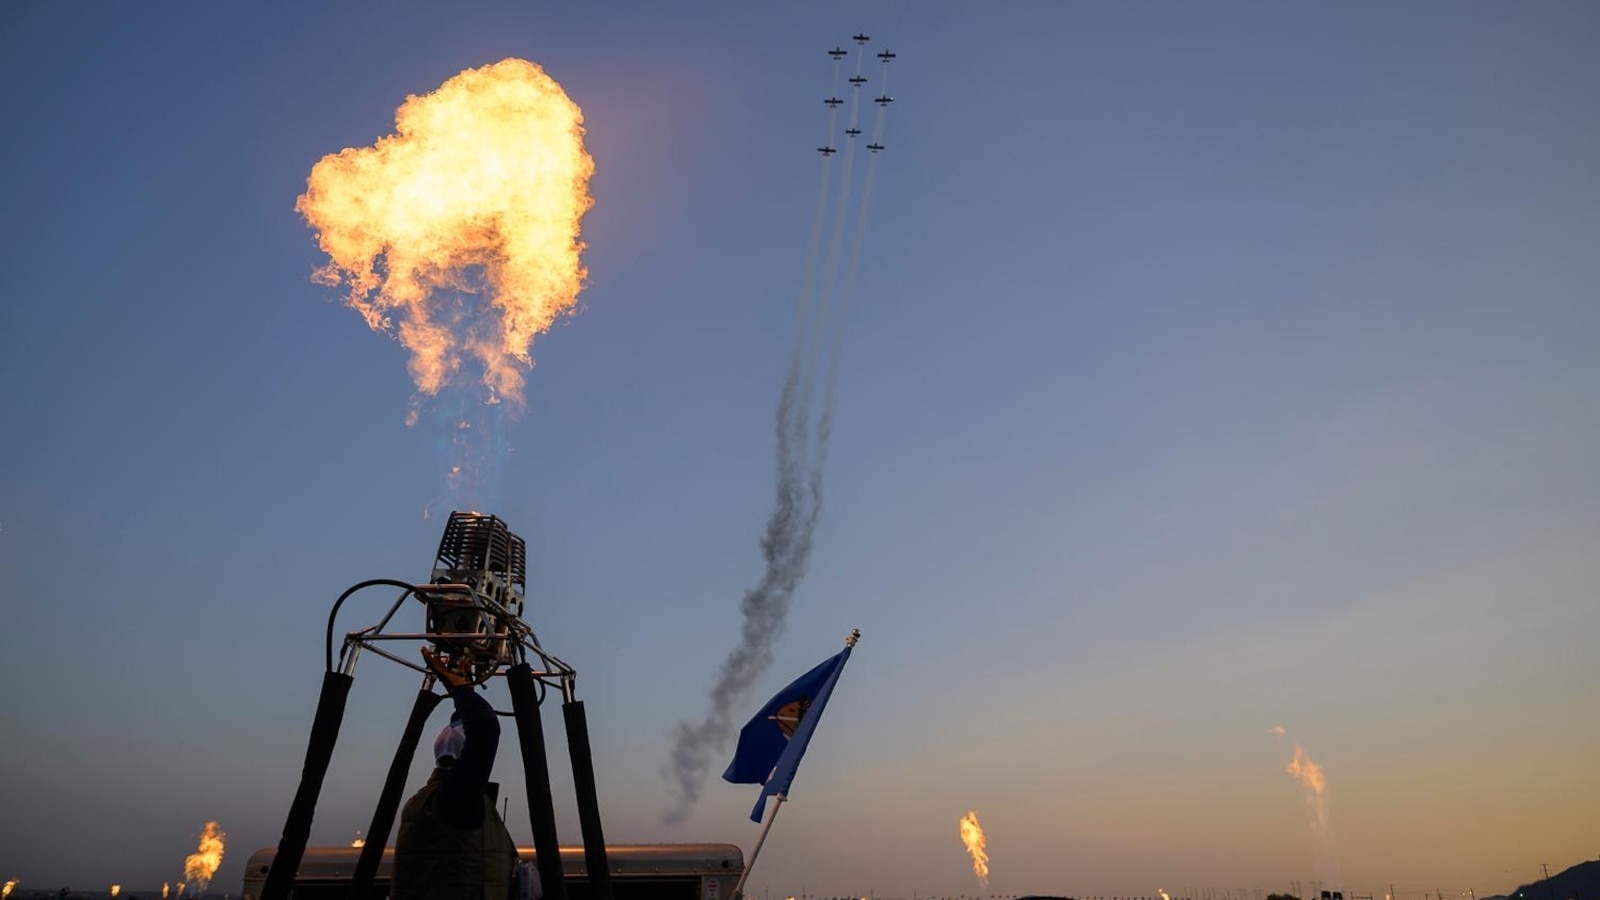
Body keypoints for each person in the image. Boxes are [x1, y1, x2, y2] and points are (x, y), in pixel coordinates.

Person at [392, 647, 519, 900]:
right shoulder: (453, 803)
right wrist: (460, 689)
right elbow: (484, 728)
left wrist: (462, 690)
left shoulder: (434, 801)